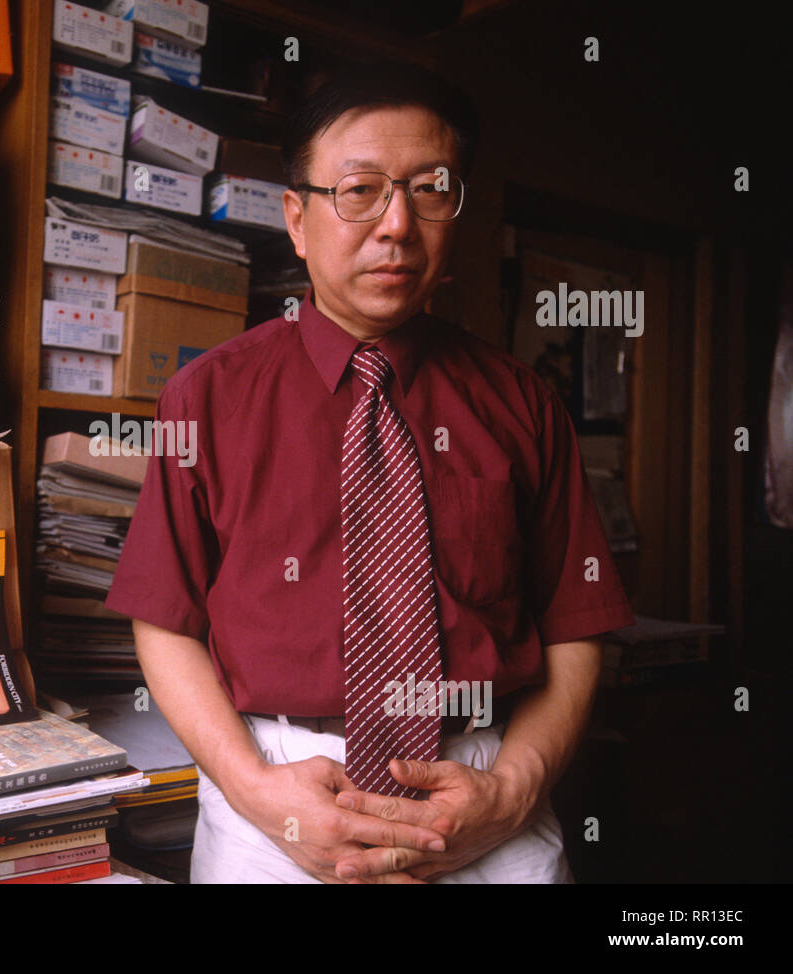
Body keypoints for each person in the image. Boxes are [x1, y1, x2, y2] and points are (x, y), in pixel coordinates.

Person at [103, 61, 636, 884]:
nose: (396, 224)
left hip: (486, 786)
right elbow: (165, 620)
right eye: (359, 189)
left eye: (430, 188)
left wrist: (512, 788)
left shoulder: (522, 403)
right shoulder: (207, 397)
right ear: (297, 217)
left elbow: (576, 627)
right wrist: (255, 788)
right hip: (279, 793)